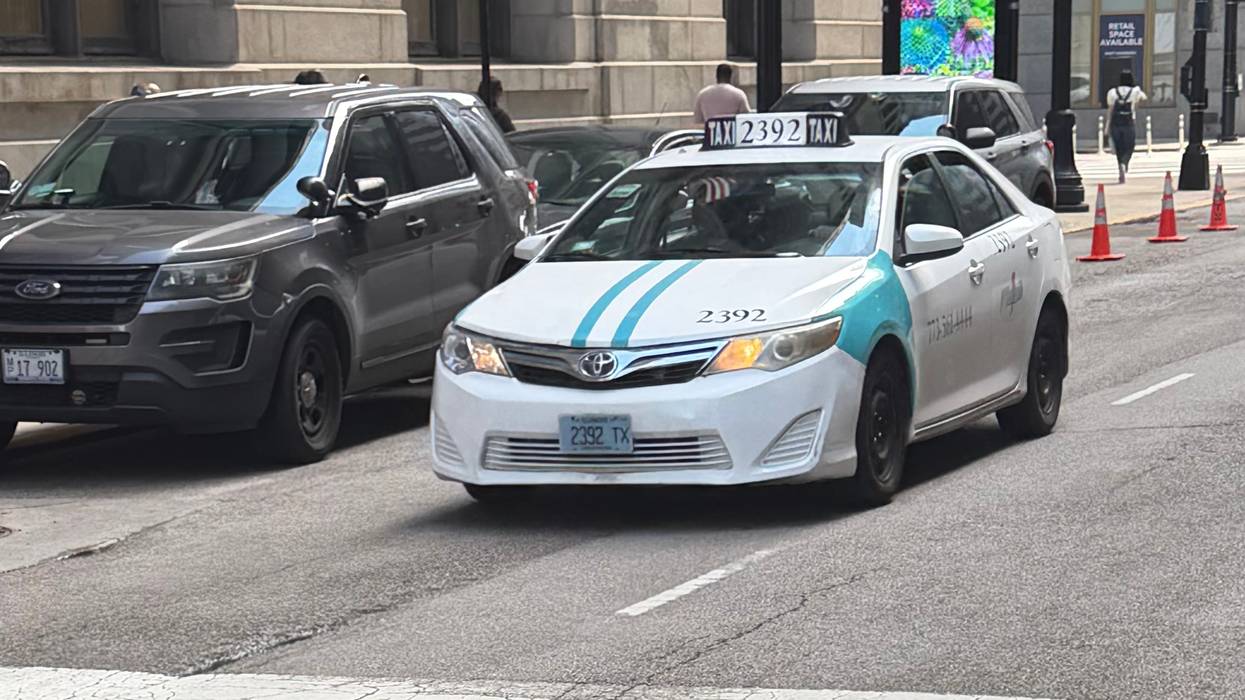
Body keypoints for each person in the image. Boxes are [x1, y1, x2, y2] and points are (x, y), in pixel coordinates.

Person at [1106, 70, 1146, 184]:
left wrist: (1106, 127)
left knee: (1119, 147)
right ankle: (1125, 163)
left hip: (1115, 123)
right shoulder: (1135, 91)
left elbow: (1110, 110)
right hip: (1128, 123)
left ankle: (1120, 166)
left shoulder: (1112, 92)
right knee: (1129, 146)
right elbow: (1144, 98)